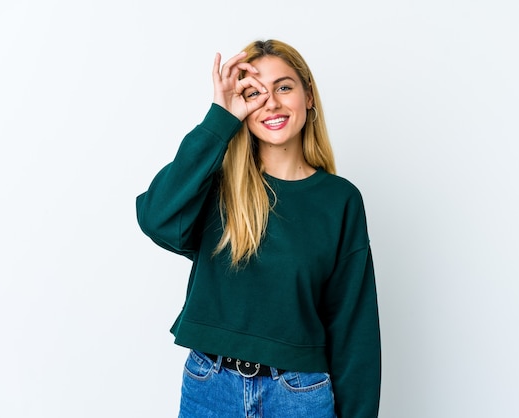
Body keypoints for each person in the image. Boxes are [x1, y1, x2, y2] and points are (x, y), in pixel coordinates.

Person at [136, 39, 381, 418]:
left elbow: (354, 328)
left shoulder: (339, 200)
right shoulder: (215, 184)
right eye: (254, 93)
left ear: (308, 96)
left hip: (299, 395)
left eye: (284, 87)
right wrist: (221, 118)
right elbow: (157, 217)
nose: (271, 103)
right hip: (210, 387)